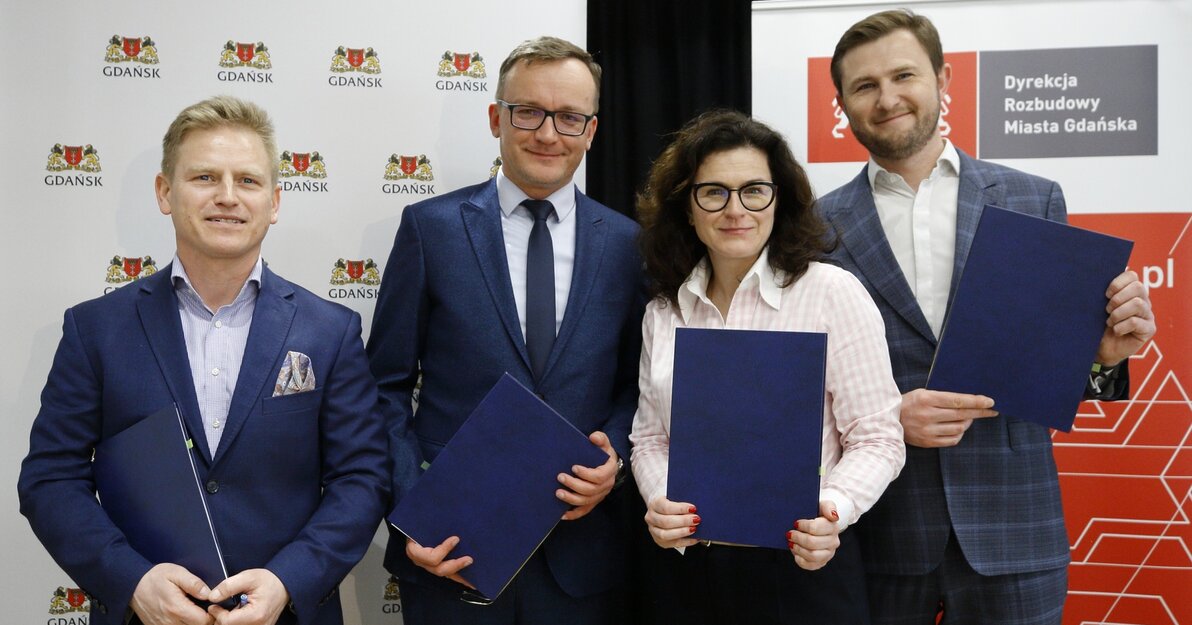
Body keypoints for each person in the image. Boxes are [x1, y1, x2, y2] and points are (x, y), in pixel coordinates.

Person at [819, 10, 1157, 623]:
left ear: (944, 79)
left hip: (1015, 532)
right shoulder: (811, 229)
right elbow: (803, 388)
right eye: (865, 86)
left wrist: (1103, 356)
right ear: (840, 102)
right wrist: (891, 417)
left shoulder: (1034, 198)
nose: (887, 98)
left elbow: (1049, 371)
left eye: (904, 75)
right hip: (878, 536)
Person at [17, 95, 390, 625]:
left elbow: (363, 479)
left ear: (275, 201)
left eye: (248, 181)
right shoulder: (94, 330)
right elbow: (51, 479)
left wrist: (289, 580)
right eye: (204, 178)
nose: (227, 197)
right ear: (165, 192)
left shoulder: (330, 331)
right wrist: (133, 580)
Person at [366, 36, 644, 625]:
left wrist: (615, 456)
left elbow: (636, 385)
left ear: (591, 130)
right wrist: (414, 508)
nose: (549, 134)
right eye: (529, 112)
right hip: (449, 550)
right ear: (497, 117)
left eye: (570, 117)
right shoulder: (430, 229)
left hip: (581, 562)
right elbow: (384, 388)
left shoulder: (628, 244)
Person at [630, 109, 906, 624]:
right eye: (713, 192)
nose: (735, 209)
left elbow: (878, 437)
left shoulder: (831, 293)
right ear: (687, 208)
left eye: (754, 190)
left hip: (802, 567)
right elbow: (650, 439)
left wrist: (832, 511)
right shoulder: (664, 312)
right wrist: (661, 501)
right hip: (688, 571)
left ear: (780, 199)